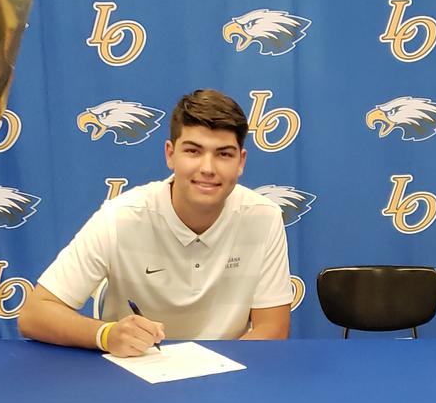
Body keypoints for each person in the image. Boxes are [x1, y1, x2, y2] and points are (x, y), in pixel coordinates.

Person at [18, 89, 292, 356]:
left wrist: (211, 377)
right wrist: (106, 335)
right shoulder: (121, 216)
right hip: (133, 379)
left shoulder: (263, 217)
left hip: (227, 379)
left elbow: (273, 328)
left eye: (224, 154)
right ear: (170, 154)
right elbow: (34, 314)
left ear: (241, 162)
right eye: (194, 151)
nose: (208, 168)